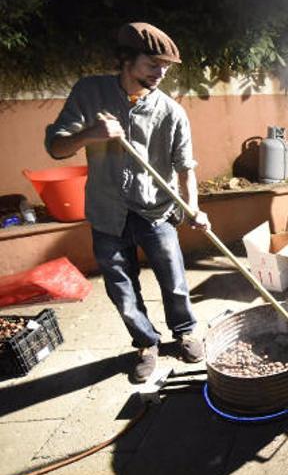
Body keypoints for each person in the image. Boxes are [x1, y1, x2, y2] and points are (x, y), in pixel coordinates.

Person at [45, 23, 209, 383]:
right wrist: (91, 134)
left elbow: (185, 170)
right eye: (153, 63)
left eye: (166, 66)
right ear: (126, 59)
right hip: (107, 211)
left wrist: (193, 207)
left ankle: (183, 331)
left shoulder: (171, 112)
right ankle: (145, 343)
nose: (161, 72)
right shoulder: (90, 93)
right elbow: (56, 147)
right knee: (121, 289)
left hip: (155, 211)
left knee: (174, 279)